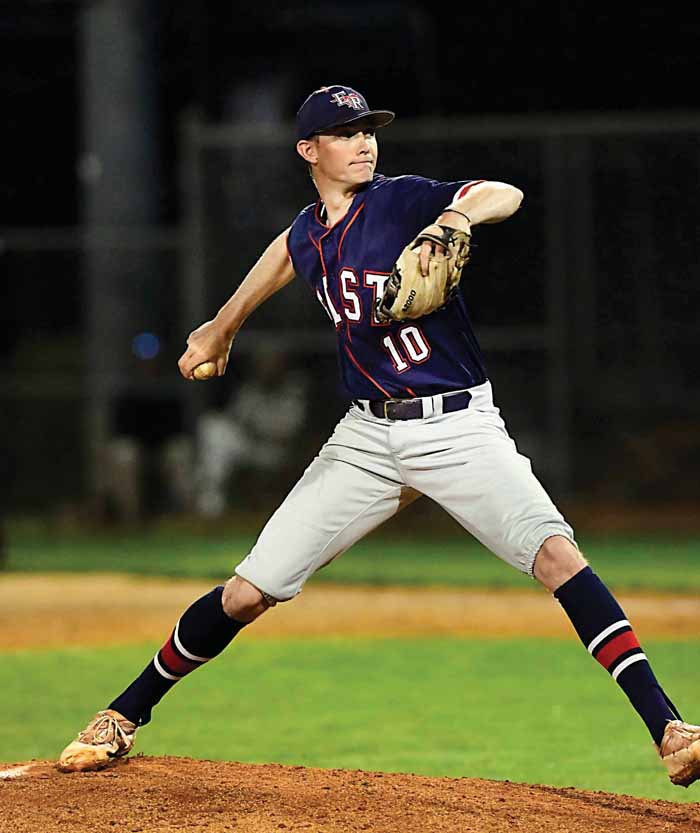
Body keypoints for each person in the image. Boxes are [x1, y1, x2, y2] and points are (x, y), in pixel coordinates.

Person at [58, 84, 700, 787]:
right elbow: (284, 251)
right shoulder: (310, 231)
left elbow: (504, 192)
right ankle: (123, 712)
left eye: (369, 129)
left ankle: (668, 727)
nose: (364, 141)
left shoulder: (401, 199)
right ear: (310, 149)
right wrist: (223, 325)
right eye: (345, 131)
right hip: (365, 438)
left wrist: (454, 215)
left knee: (556, 555)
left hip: (456, 424)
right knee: (249, 591)